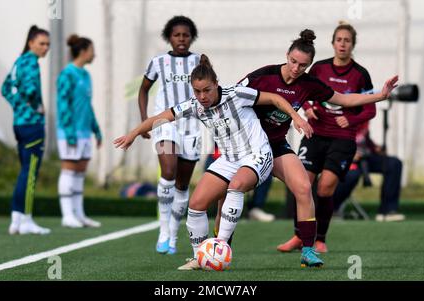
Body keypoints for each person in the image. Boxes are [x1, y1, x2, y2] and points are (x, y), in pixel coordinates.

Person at [114, 54, 314, 270]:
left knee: (235, 187)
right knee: (196, 205)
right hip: (228, 159)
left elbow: (275, 99)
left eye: (207, 90)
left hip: (257, 155)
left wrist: (297, 117)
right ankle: (200, 257)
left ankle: (220, 249)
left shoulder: (236, 94)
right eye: (197, 91)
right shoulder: (194, 105)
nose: (202, 96)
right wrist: (133, 133)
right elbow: (161, 117)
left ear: (216, 85)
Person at [215, 29, 397, 262]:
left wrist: (380, 96)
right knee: (226, 192)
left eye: (302, 65)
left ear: (309, 65)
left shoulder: (309, 83)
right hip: (248, 146)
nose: (295, 68)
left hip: (276, 146)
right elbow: (231, 97)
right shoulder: (264, 76)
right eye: (293, 61)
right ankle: (220, 246)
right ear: (287, 55)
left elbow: (344, 99)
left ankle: (308, 250)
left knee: (303, 187)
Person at [278, 22, 376, 253]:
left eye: (347, 40)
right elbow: (303, 92)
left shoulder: (361, 74)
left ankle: (320, 239)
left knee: (325, 189)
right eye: (339, 40)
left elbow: (369, 109)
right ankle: (298, 236)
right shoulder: (319, 68)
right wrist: (308, 107)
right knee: (301, 185)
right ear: (332, 43)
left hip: (342, 138)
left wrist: (351, 120)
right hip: (315, 134)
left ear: (353, 45)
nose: (342, 44)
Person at [138, 16, 201, 255]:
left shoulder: (199, 60)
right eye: (177, 35)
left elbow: (209, 89)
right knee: (168, 171)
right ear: (169, 37)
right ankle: (163, 229)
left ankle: (173, 236)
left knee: (183, 186)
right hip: (165, 123)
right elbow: (143, 90)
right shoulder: (159, 62)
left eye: (186, 35)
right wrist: (146, 120)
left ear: (191, 37)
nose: (181, 39)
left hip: (192, 127)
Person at [1, 25, 51, 235]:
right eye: (42, 43)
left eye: (48, 44)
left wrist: (19, 107)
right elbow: (30, 89)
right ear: (31, 43)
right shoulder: (31, 62)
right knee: (30, 174)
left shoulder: (18, 61)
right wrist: (36, 107)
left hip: (19, 124)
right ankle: (27, 219)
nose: (45, 48)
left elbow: (5, 88)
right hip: (32, 125)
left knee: (24, 172)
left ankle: (17, 219)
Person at [56, 34, 102, 228]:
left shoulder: (86, 75)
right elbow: (63, 104)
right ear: (83, 52)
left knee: (80, 172)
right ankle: (67, 215)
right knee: (69, 169)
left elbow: (87, 105)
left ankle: (79, 214)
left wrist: (96, 130)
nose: (95, 54)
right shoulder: (67, 74)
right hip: (70, 132)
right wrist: (69, 132)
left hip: (84, 132)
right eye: (92, 50)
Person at [333, 121, 405, 222]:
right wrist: (347, 154)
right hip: (344, 157)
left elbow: (363, 138)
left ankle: (388, 211)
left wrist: (375, 148)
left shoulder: (366, 114)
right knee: (352, 175)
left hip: (364, 157)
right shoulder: (340, 115)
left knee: (394, 164)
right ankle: (331, 209)